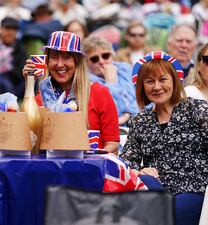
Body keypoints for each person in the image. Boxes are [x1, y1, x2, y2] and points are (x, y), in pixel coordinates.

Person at [122, 51, 208, 225]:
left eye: (162, 79)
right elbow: (127, 160)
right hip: (156, 186)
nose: (156, 87)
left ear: (174, 81)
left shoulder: (196, 109)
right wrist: (139, 170)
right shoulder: (140, 120)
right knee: (145, 186)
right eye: (149, 81)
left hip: (192, 186)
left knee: (176, 210)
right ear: (142, 87)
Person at [23, 31, 120, 154]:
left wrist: (94, 159)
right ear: (47, 61)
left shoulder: (99, 92)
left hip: (90, 168)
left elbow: (112, 144)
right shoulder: (40, 98)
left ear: (77, 62)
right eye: (54, 57)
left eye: (66, 57)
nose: (59, 64)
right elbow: (29, 142)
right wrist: (29, 83)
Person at [83, 36, 139, 126]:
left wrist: (127, 115)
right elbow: (111, 113)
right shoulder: (86, 82)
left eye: (105, 56)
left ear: (112, 55)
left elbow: (145, 98)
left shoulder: (126, 68)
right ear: (86, 62)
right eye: (94, 59)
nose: (101, 61)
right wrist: (111, 83)